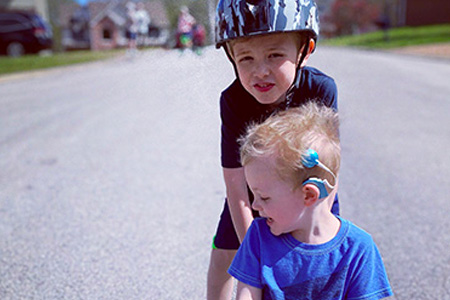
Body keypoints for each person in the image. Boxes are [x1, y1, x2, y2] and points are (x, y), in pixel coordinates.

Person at [207, 1, 341, 299]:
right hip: (253, 193)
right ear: (231, 57)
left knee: (323, 258)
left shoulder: (320, 89)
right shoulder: (233, 100)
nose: (260, 71)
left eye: (275, 55)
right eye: (246, 59)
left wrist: (315, 229)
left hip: (310, 191)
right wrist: (252, 254)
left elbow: (329, 169)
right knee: (223, 255)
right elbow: (235, 182)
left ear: (304, 50)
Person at [229, 102, 393, 299]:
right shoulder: (259, 237)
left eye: (264, 197)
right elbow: (246, 294)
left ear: (308, 195)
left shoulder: (358, 248)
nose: (255, 206)